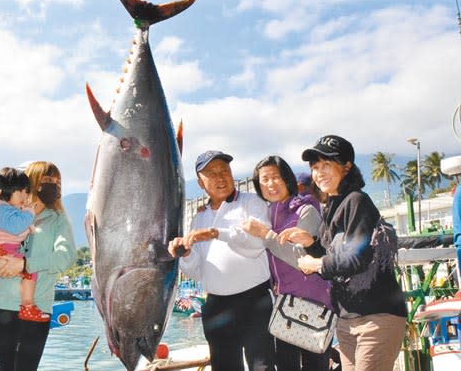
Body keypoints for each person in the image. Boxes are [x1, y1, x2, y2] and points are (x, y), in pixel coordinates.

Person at [279, 135, 407, 371]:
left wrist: (316, 264)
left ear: (347, 166)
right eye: (315, 167)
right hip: (348, 320)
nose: (319, 173)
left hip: (377, 317)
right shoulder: (333, 206)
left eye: (327, 164)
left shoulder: (356, 201)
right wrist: (310, 242)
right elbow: (333, 257)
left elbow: (356, 258)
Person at [167, 150, 275, 371]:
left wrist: (216, 233)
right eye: (212, 173)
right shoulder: (199, 217)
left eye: (224, 170)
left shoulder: (252, 202)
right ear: (200, 183)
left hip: (255, 301)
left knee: (262, 366)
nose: (220, 177)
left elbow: (257, 244)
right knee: (224, 367)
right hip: (217, 304)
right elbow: (198, 272)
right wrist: (185, 254)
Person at [0, 161, 77, 371]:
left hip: (37, 307)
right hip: (0, 304)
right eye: (47, 180)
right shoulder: (2, 212)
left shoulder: (57, 219)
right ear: (31, 182)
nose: (54, 186)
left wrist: (25, 265)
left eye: (57, 182)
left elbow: (66, 256)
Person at [243, 155, 332, 371]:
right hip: (285, 306)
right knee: (286, 366)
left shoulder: (306, 210)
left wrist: (267, 235)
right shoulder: (269, 213)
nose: (271, 184)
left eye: (276, 177)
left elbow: (302, 259)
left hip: (313, 304)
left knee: (315, 367)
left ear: (288, 179)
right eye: (264, 179)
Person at [0, 167, 47, 341]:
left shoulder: (3, 209)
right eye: (23, 192)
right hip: (1, 249)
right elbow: (16, 227)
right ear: (11, 190)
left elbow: (20, 229)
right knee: (31, 267)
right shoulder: (1, 208)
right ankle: (27, 305)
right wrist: (29, 212)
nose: (25, 197)